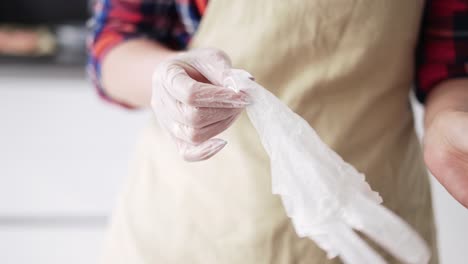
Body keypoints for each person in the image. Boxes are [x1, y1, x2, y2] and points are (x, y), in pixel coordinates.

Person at [88, 0, 468, 263]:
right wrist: (165, 77)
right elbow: (115, 40)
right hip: (196, 227)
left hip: (370, 220)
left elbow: (452, 59)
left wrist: (448, 120)